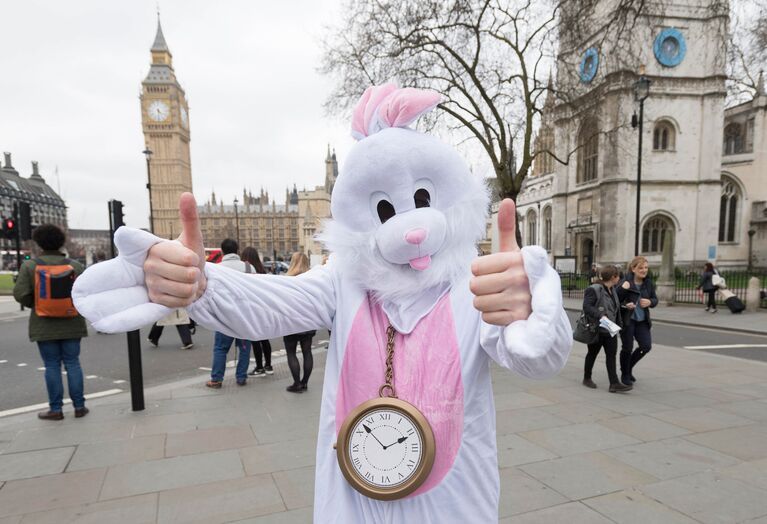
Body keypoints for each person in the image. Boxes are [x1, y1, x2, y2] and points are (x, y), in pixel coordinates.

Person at [73, 83, 573, 523]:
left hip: (454, 502)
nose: (411, 227)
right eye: (384, 210)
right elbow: (269, 304)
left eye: (423, 200)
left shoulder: (476, 285)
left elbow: (536, 357)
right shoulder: (344, 282)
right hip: (356, 499)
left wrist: (529, 308)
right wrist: (199, 283)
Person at [13, 224, 89, 420]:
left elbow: (20, 294)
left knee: (52, 365)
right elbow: (85, 292)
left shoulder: (30, 266)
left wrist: (38, 305)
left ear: (39, 243)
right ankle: (79, 407)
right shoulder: (76, 266)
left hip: (44, 324)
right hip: (72, 322)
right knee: (73, 363)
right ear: (61, 242)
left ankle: (56, 410)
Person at [206, 238, 252, 388]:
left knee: (220, 348)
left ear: (222, 251)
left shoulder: (215, 268)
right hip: (244, 316)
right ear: (238, 250)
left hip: (223, 315)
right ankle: (241, 377)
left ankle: (217, 379)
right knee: (244, 349)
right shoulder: (248, 268)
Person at [582, 265, 632, 393]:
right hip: (597, 329)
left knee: (611, 356)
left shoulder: (612, 289)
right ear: (613, 277)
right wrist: (599, 315)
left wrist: (625, 306)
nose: (619, 279)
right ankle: (587, 378)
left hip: (610, 329)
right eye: (618, 277)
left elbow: (613, 306)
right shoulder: (594, 289)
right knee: (592, 353)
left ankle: (614, 383)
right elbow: (587, 307)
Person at [617, 256, 658, 385]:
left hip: (642, 321)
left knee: (646, 346)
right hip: (628, 320)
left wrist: (650, 301)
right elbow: (615, 299)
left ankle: (628, 368)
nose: (644, 270)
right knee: (627, 347)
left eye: (646, 267)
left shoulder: (648, 283)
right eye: (640, 267)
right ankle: (625, 374)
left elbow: (655, 299)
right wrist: (625, 298)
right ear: (633, 269)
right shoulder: (626, 282)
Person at [282, 252, 316, 393]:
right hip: (309, 321)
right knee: (307, 352)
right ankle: (305, 382)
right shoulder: (313, 279)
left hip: (292, 322)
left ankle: (296, 383)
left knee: (291, 353)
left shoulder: (287, 279)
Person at [241, 246, 274, 377]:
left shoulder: (247, 271)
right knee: (265, 339)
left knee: (255, 339)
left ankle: (259, 367)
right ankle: (269, 365)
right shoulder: (262, 271)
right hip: (263, 309)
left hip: (252, 310)